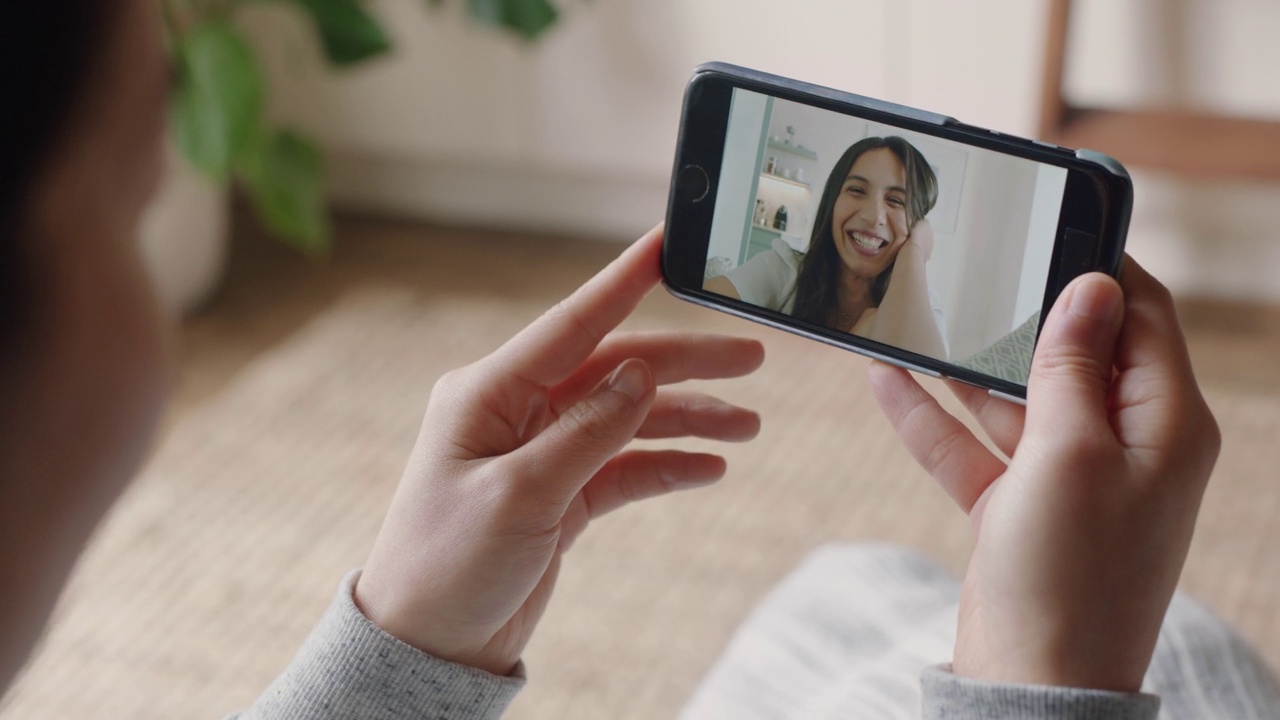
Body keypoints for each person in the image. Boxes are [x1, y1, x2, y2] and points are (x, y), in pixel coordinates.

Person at [2, 2, 1275, 718]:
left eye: (901, 203)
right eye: (129, 199)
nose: (874, 217)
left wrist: (397, 643)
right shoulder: (782, 275)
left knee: (852, 580)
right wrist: (1046, 686)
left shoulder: (944, 317)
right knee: (1187, 663)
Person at [705, 136, 948, 359]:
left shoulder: (920, 303)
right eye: (856, 190)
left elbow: (924, 384)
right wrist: (855, 341)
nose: (873, 216)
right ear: (833, 202)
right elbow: (695, 316)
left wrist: (915, 250)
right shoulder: (783, 268)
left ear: (918, 221)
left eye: (896, 201)